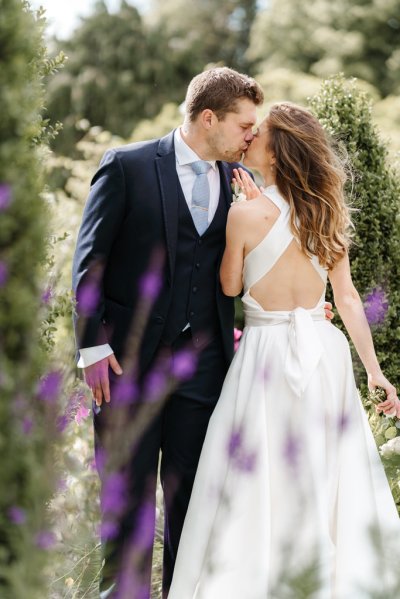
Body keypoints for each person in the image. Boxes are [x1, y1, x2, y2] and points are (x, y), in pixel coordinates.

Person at [168, 103, 400, 599]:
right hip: (326, 353)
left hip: (266, 354)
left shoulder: (244, 214)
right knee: (322, 468)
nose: (249, 138)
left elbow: (230, 286)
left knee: (256, 471)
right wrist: (375, 371)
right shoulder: (327, 211)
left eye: (260, 134)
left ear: (277, 151)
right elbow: (348, 297)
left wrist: (243, 218)